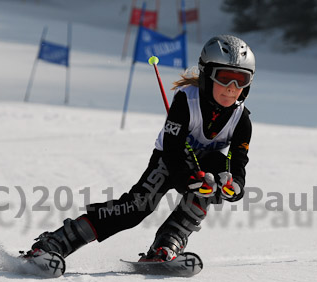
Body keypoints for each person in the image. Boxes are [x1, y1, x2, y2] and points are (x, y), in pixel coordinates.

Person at [23, 35, 255, 265]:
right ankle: (57, 241)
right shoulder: (186, 102)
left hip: (206, 165)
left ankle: (168, 242)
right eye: (224, 78)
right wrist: (187, 179)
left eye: (241, 80)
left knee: (213, 180)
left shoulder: (241, 119)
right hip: (169, 159)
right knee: (136, 208)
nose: (232, 88)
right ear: (206, 75)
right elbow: (173, 151)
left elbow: (238, 160)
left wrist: (235, 185)